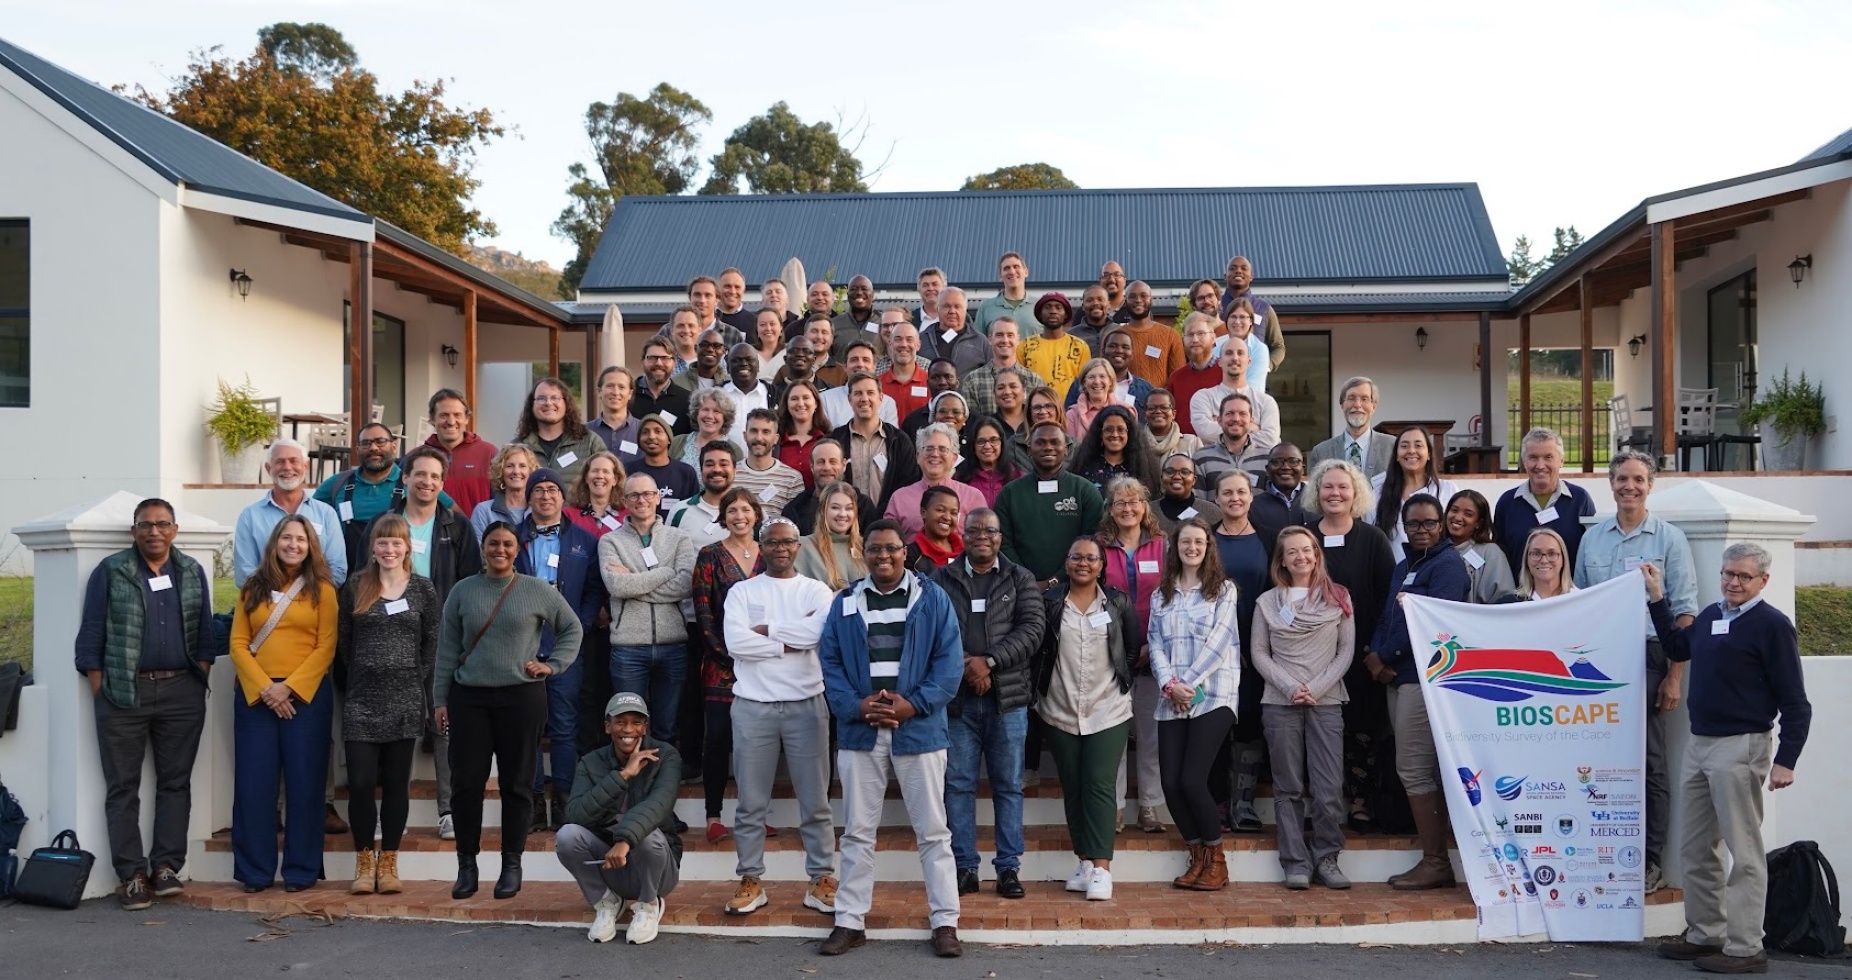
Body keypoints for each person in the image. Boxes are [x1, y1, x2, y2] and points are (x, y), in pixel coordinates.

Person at [1645, 548, 1812, 975]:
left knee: (1744, 850)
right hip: (1700, 744)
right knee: (1696, 847)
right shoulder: (1711, 616)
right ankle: (1706, 934)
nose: (1733, 583)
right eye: (1727, 574)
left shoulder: (1773, 626)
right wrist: (1657, 598)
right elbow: (1677, 645)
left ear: (1763, 581)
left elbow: (1796, 702)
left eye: (1743, 576)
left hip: (1742, 745)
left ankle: (1745, 947)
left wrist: (1785, 760)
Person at [815, 520, 966, 958]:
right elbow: (831, 663)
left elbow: (949, 665)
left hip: (918, 731)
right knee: (859, 833)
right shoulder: (845, 602)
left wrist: (913, 705)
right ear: (865, 553)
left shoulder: (932, 599)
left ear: (906, 552)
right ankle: (849, 920)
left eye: (893, 549)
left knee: (934, 832)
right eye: (876, 550)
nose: (884, 557)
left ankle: (945, 922)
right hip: (861, 733)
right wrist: (858, 707)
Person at [76, 498, 214, 909]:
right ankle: (132, 874)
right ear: (134, 531)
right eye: (145, 525)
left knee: (176, 783)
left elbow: (205, 629)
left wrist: (200, 674)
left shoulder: (190, 570)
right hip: (123, 693)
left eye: (162, 524)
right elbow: (91, 634)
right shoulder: (112, 571)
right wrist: (100, 686)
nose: (154, 532)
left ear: (175, 530)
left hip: (181, 693)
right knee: (122, 787)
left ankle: (166, 867)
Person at [435, 521, 584, 900]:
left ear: (518, 550)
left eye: (507, 544)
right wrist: (440, 700)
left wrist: (552, 664)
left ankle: (511, 865)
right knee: (466, 785)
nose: (499, 550)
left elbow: (572, 628)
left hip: (522, 696)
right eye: (493, 544)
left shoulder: (535, 590)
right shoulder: (462, 591)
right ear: (483, 548)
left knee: (517, 785)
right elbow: (447, 649)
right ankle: (466, 865)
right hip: (469, 698)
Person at [1574, 449, 1697, 893]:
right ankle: (1601, 852)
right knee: (1597, 759)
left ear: (1651, 485)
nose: (1629, 487)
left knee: (1647, 760)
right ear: (1611, 484)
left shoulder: (1669, 539)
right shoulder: (1593, 538)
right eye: (1622, 479)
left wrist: (1674, 676)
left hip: (1648, 656)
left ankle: (1648, 861)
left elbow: (1685, 614)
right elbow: (1581, 603)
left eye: (1638, 480)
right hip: (1600, 661)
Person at [721, 517, 841, 917]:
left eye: (788, 542)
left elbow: (817, 636)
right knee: (751, 804)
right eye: (772, 542)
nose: (781, 548)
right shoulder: (741, 591)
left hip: (807, 704)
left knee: (816, 801)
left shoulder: (817, 590)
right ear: (761, 545)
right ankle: (751, 879)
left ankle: (821, 879)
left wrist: (767, 631)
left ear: (798, 546)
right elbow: (735, 642)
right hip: (753, 706)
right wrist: (787, 642)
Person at [930, 506, 1043, 899]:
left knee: (1009, 786)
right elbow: (932, 629)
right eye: (975, 529)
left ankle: (1008, 869)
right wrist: (964, 666)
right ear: (964, 533)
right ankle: (964, 868)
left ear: (1000, 537)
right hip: (957, 701)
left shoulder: (1019, 577)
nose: (982, 536)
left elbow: (1032, 629)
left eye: (990, 530)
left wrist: (989, 662)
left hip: (1007, 700)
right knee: (958, 785)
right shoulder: (941, 578)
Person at [228, 515, 339, 894]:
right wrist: (265, 688)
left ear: (311, 547)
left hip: (305, 699)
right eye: (287, 538)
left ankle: (301, 869)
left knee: (305, 785)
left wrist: (289, 688)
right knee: (253, 786)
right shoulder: (252, 587)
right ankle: (255, 871)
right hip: (255, 699)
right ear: (275, 542)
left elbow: (327, 646)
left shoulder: (323, 589)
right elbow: (238, 644)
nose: (294, 545)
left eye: (301, 540)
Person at [1365, 494, 1469, 890]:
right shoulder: (1407, 564)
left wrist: (1386, 655)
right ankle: (1436, 858)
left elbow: (1432, 625)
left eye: (1429, 523)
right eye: (1414, 524)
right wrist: (1375, 653)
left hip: (1424, 678)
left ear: (1442, 525)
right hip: (1396, 675)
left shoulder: (1447, 566)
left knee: (1414, 768)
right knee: (1413, 766)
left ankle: (1436, 861)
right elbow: (1388, 613)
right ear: (1403, 527)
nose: (1421, 530)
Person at [337, 515, 439, 895]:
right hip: (362, 700)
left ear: (407, 547)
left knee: (397, 784)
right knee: (362, 783)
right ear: (373, 548)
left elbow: (432, 642)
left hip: (405, 699)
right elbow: (344, 642)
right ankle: (365, 862)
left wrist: (412, 677)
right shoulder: (355, 587)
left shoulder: (423, 589)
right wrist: (369, 670)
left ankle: (390, 861)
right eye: (383, 543)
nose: (390, 549)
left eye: (396, 543)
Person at [384, 447, 481, 840]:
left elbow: (472, 582)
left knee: (444, 724)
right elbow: (365, 579)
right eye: (419, 474)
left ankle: (449, 810)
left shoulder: (455, 526)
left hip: (442, 638)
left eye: (435, 477)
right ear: (404, 478)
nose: (426, 482)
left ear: (443, 484)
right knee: (399, 726)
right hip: (393, 639)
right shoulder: (387, 526)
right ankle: (394, 810)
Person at [1252, 526, 1355, 890]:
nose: (1301, 557)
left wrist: (1315, 687)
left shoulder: (1339, 598)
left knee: (1328, 789)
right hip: (1280, 703)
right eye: (1292, 551)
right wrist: (1291, 687)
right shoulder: (1267, 602)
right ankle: (1295, 861)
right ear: (1282, 559)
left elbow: (1345, 652)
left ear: (1316, 554)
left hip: (1326, 702)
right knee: (1289, 787)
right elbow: (1259, 653)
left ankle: (1327, 857)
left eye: (1307, 550)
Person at [1039, 536, 1139, 901]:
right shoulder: (1050, 603)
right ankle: (1083, 862)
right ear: (1066, 562)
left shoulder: (1117, 602)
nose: (1084, 563)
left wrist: (1121, 686)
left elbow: (1130, 648)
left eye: (1091, 558)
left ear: (1101, 564)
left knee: (1098, 784)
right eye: (1076, 556)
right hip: (1059, 707)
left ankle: (1102, 868)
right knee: (1074, 787)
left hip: (1108, 708)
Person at [1302, 459, 1396, 833]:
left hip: (1361, 655)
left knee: (1361, 729)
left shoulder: (1373, 540)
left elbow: (1389, 597)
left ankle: (1358, 802)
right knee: (1315, 731)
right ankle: (1320, 803)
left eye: (1343, 487)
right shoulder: (1303, 536)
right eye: (1328, 487)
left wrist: (1378, 650)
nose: (1335, 493)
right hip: (1310, 656)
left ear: (1356, 494)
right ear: (1316, 492)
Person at [1147, 518, 1241, 891]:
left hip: (1214, 693)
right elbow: (1154, 642)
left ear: (1208, 547)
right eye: (1185, 541)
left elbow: (1220, 643)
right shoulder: (1162, 594)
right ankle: (1197, 855)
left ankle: (1216, 860)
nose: (1192, 547)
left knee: (1191, 778)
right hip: (1172, 695)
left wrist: (1186, 684)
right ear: (1175, 547)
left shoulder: (1223, 590)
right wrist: (1170, 684)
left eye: (1199, 542)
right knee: (1170, 782)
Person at [515, 469, 608, 831]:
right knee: (530, 730)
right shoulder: (513, 539)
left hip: (566, 648)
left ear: (562, 496)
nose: (546, 496)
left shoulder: (584, 541)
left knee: (566, 727)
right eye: (538, 490)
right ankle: (533, 802)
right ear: (529, 497)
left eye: (552, 490)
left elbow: (594, 590)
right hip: (523, 646)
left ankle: (567, 802)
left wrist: (578, 627)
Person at [554, 692, 684, 945]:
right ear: (607, 726)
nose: (629, 729)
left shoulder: (666, 757)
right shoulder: (591, 762)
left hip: (658, 870)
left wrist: (625, 840)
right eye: (620, 721)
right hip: (610, 866)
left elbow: (657, 805)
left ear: (645, 727)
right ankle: (607, 902)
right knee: (567, 836)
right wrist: (623, 775)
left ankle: (648, 905)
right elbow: (575, 814)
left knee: (647, 835)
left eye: (636, 722)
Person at [600, 474, 698, 749]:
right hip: (628, 648)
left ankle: (661, 782)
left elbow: (685, 585)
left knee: (667, 726)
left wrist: (635, 579)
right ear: (624, 501)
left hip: (672, 645)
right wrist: (664, 572)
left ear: (658, 497)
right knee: (629, 726)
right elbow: (616, 586)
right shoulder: (610, 541)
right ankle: (633, 782)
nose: (641, 499)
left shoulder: (679, 538)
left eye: (647, 494)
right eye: (634, 495)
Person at [691, 489, 765, 845]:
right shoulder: (710, 555)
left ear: (756, 514)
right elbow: (702, 610)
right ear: (723, 516)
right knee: (718, 738)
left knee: (755, 743)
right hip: (721, 664)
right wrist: (726, 652)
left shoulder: (770, 553)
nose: (739, 516)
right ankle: (714, 817)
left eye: (746, 509)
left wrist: (762, 652)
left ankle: (754, 815)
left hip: (764, 665)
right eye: (732, 510)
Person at [1096, 476, 1167, 834]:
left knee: (1150, 733)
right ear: (1110, 510)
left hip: (1155, 655)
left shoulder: (1162, 547)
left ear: (1145, 507)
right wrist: (1121, 648)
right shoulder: (1099, 547)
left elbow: (1171, 602)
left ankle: (1151, 805)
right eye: (1120, 502)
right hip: (1109, 655)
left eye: (1134, 501)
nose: (1128, 508)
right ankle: (1116, 807)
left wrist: (1150, 645)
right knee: (1115, 734)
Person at [1207, 470, 1273, 831]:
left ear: (1251, 497)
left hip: (1256, 648)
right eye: (1227, 492)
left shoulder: (1269, 539)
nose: (1234, 498)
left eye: (1241, 492)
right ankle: (1217, 803)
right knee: (1215, 727)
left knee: (1248, 726)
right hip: (1212, 652)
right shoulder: (1205, 540)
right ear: (1216, 498)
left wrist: (1257, 646)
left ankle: (1244, 804)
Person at [316, 422, 455, 574]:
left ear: (394, 446)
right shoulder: (337, 483)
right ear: (357, 450)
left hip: (397, 578)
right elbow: (310, 515)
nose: (373, 448)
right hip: (348, 576)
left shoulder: (412, 482)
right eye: (366, 443)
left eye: (380, 442)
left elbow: (452, 515)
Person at [997, 421, 1107, 587]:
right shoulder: (1009, 494)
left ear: (1066, 450)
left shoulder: (1086, 491)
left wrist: (1056, 579)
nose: (1048, 447)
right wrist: (1028, 580)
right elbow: (1003, 544)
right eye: (1040, 442)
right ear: (1028, 450)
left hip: (1076, 587)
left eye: (1055, 442)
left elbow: (1093, 541)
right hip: (1021, 588)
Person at [234, 439, 348, 587]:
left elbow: (337, 571)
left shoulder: (326, 514)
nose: (287, 467)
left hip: (315, 604)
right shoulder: (250, 516)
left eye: (294, 461)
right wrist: (281, 597)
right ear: (269, 468)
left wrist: (301, 596)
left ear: (306, 467)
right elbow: (244, 573)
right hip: (267, 604)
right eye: (280, 462)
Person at [1492, 427, 1598, 573]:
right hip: (1520, 594)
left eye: (1548, 457)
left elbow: (1591, 552)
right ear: (1524, 462)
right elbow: (1500, 557)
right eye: (1533, 457)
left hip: (1569, 594)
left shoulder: (1580, 500)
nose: (1540, 465)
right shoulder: (1507, 503)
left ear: (1561, 461)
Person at [833, 372, 922, 516]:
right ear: (849, 399)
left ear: (881, 398)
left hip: (888, 522)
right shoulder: (836, 440)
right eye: (858, 393)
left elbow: (907, 485)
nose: (864, 399)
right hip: (845, 522)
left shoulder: (899, 441)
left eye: (870, 393)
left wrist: (881, 515)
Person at [881, 423, 987, 539]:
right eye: (929, 449)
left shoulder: (972, 497)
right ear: (918, 456)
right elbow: (888, 541)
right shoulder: (899, 498)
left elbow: (982, 542)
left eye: (942, 449)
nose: (935, 454)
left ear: (954, 458)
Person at [1370, 427, 1459, 561]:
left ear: (1429, 454)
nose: (1411, 450)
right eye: (1404, 446)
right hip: (1393, 577)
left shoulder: (1447, 489)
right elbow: (1373, 539)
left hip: (1437, 573)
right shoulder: (1378, 493)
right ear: (1396, 456)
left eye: (1418, 445)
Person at [1188, 337, 1280, 450]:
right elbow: (1206, 433)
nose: (1235, 358)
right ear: (1220, 362)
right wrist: (1252, 428)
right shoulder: (1203, 398)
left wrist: (1224, 427)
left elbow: (1271, 439)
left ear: (1249, 362)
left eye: (1240, 353)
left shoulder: (1266, 402)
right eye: (1229, 353)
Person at [420, 389, 496, 515]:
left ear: (467, 418)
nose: (451, 422)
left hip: (477, 532)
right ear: (432, 419)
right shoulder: (417, 458)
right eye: (444, 415)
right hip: (430, 533)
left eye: (457, 415)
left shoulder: (489, 454)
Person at [518, 377, 605, 484]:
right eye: (541, 398)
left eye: (555, 398)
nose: (548, 403)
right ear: (532, 405)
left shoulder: (590, 442)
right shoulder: (518, 446)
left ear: (566, 403)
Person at [1308, 377, 1393, 479]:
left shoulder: (1392, 447)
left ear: (1373, 406)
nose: (1357, 405)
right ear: (1342, 405)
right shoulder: (1321, 453)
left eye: (1364, 399)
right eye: (1351, 398)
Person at [785, 440, 876, 535]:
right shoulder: (795, 508)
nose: (827, 468)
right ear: (812, 467)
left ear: (844, 465)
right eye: (821, 462)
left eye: (833, 462)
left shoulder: (863, 506)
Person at [1443, 488, 1515, 604]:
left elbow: (1504, 600)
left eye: (1468, 514)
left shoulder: (1491, 553)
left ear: (1479, 522)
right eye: (1454, 510)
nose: (1457, 517)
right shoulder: (1433, 548)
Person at [1068, 405, 1161, 493]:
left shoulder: (1142, 468)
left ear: (1129, 433)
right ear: (1100, 433)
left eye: (1120, 430)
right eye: (1109, 429)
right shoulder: (1084, 467)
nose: (1115, 435)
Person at [960, 319, 1042, 419]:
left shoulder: (1034, 381)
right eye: (999, 335)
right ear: (990, 339)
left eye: (1010, 335)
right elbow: (971, 424)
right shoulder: (973, 380)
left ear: (1018, 340)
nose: (1005, 340)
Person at [796, 481, 869, 588]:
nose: (843, 514)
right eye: (835, 507)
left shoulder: (866, 546)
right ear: (822, 510)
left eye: (849, 508)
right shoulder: (803, 547)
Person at [734, 408, 804, 518]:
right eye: (753, 431)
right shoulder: (731, 474)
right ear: (744, 435)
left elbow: (794, 522)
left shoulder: (792, 478)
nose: (759, 437)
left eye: (766, 432)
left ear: (776, 438)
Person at [1020, 291, 1089, 403]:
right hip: (1035, 410)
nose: (1053, 311)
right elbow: (1019, 383)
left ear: (1066, 314)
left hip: (1069, 411)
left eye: (1058, 307)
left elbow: (1085, 384)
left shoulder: (1079, 346)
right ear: (1040, 314)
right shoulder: (1025, 346)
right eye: (1047, 307)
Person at [1192, 392, 1270, 490]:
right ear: (1219, 420)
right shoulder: (1201, 458)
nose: (1236, 419)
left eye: (1242, 414)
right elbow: (1198, 502)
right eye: (1229, 413)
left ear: (1251, 420)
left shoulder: (1267, 458)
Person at [1220, 255, 1286, 371]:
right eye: (1233, 268)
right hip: (1219, 380)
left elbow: (1278, 346)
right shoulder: (1215, 307)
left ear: (1251, 276)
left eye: (1244, 268)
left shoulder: (1264, 309)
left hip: (1254, 381)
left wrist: (1267, 366)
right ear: (1225, 276)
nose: (1238, 271)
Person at [627, 414, 701, 514]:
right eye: (645, 432)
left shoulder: (686, 473)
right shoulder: (628, 471)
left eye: (658, 431)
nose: (651, 437)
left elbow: (693, 511)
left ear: (669, 439)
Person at [1166, 315, 1224, 439]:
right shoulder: (1176, 378)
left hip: (1218, 448)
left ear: (1213, 338)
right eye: (1190, 335)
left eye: (1201, 333)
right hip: (1184, 449)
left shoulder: (1227, 373)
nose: (1195, 339)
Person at [1117, 281, 1185, 387]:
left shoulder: (1171, 336)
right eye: (1132, 296)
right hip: (1123, 402)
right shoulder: (1115, 336)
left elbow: (1178, 379)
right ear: (1126, 301)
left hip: (1160, 402)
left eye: (1143, 296)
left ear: (1151, 300)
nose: (1138, 300)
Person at [470, 444, 538, 542]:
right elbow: (476, 552)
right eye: (510, 466)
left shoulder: (539, 510)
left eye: (522, 466)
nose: (516, 471)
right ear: (500, 471)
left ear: (531, 471)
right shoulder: (484, 512)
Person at [953, 416, 1024, 506]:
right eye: (981, 441)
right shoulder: (960, 480)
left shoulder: (1018, 478)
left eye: (993, 440)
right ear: (973, 446)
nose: (987, 446)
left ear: (1002, 443)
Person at [776, 380, 834, 488]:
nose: (800, 403)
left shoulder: (829, 439)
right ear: (787, 404)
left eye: (806, 398)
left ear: (816, 403)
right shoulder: (776, 441)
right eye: (794, 399)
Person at [917, 286, 986, 375]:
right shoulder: (922, 339)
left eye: (957, 307)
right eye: (946, 306)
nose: (952, 311)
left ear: (965, 310)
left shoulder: (980, 341)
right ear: (938, 309)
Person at [632, 337, 695, 433]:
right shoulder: (627, 395)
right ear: (642, 362)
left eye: (665, 358)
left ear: (674, 363)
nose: (658, 363)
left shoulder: (688, 400)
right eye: (652, 358)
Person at [719, 343, 776, 446]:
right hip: (724, 460)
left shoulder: (774, 395)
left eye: (749, 359)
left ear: (758, 365)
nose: (744, 363)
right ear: (728, 366)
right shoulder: (717, 394)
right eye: (737, 360)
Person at [1250, 444, 1308, 545]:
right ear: (1267, 470)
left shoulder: (1318, 502)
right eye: (1277, 462)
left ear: (1302, 469)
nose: (1285, 467)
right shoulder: (1253, 506)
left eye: (1293, 461)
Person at [878, 313, 932, 420]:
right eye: (898, 339)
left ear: (918, 345)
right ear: (890, 343)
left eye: (909, 339)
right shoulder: (877, 384)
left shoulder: (930, 382)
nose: (904, 344)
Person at [1066, 357, 1133, 441]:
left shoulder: (1127, 411)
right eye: (1091, 377)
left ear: (1111, 381)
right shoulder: (1072, 414)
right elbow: (1071, 451)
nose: (1097, 382)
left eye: (1102, 376)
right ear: (1084, 382)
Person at [671, 388, 739, 469]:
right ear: (696, 413)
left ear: (725, 417)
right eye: (705, 409)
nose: (710, 416)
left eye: (716, 411)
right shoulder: (677, 442)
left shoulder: (735, 450)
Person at [588, 366, 643, 465]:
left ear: (630, 394)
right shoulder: (585, 432)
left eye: (621, 387)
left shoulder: (643, 430)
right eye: (610, 386)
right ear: (600, 392)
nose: (615, 392)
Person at [565, 451, 627, 538]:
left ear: (615, 480)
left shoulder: (628, 516)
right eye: (595, 471)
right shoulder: (568, 515)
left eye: (606, 471)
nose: (600, 476)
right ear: (586, 477)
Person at [905, 485, 964, 572]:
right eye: (940, 510)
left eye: (953, 513)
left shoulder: (966, 553)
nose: (947, 517)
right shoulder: (911, 555)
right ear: (923, 512)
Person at [975, 251, 1034, 337]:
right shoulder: (986, 307)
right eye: (1006, 268)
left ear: (1026, 272)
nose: (1012, 272)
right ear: (1000, 276)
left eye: (1016, 267)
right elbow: (978, 345)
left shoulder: (1039, 306)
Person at [1510, 527, 1577, 600]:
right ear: (1526, 560)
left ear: (1563, 559)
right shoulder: (1509, 605)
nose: (1544, 561)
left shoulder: (1579, 601)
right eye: (1536, 553)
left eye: (1552, 554)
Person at [901, 358, 962, 438]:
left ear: (957, 383)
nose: (942, 382)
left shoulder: (973, 421)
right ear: (927, 383)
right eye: (935, 377)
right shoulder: (911, 422)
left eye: (948, 377)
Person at [1224, 298, 1272, 393]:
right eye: (1233, 317)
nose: (1237, 322)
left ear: (1251, 321)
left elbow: (1253, 388)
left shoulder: (1259, 350)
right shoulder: (1216, 347)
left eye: (1242, 317)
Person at [829, 275, 881, 363]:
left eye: (864, 289)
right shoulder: (834, 324)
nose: (859, 292)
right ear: (847, 294)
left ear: (872, 295)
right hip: (843, 376)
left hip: (877, 376)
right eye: (853, 289)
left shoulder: (884, 323)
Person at [1155, 451, 1212, 526]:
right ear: (1162, 478)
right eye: (1170, 472)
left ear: (1194, 480)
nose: (1177, 477)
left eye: (1184, 472)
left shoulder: (1211, 513)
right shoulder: (1147, 512)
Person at [1143, 388, 1201, 460]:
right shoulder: (1134, 444)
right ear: (1144, 415)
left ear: (1173, 414)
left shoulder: (1192, 443)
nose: (1158, 411)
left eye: (1164, 407)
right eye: (1151, 408)